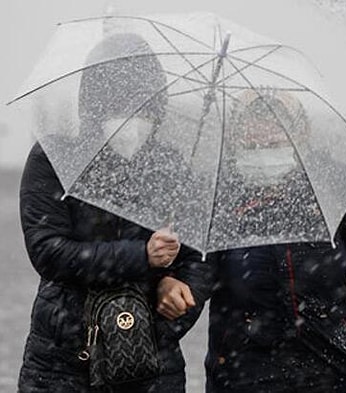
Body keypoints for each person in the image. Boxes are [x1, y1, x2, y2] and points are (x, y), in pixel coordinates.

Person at [18, 33, 210, 393]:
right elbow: (47, 250)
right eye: (116, 108)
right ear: (92, 105)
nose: (130, 123)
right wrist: (142, 256)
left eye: (143, 110)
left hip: (151, 363)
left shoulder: (173, 167)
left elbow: (201, 256)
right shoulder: (55, 158)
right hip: (61, 358)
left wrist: (177, 298)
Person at [191, 91, 346, 393]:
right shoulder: (220, 193)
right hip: (242, 367)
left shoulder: (336, 184)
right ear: (237, 137)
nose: (263, 152)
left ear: (300, 135)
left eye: (275, 143)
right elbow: (199, 271)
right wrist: (177, 289)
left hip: (330, 362)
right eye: (253, 144)